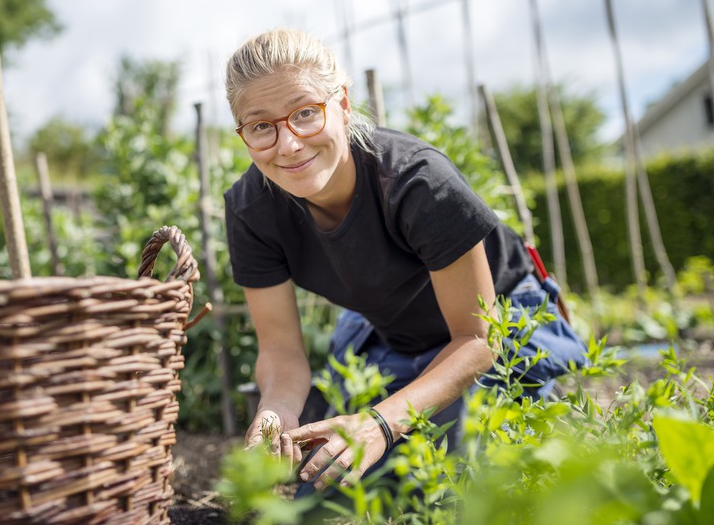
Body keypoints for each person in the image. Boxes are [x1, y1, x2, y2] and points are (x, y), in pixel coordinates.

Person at [223, 28, 587, 495]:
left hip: (498, 326)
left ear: (344, 104)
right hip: (393, 332)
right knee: (328, 497)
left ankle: (540, 400)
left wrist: (379, 423)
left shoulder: (416, 182)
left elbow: (477, 338)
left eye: (306, 113)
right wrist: (276, 409)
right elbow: (280, 350)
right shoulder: (251, 210)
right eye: (261, 126)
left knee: (455, 489)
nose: (288, 144)